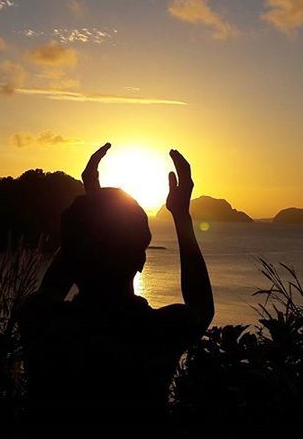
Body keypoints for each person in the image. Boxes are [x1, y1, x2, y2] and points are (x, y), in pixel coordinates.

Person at [19, 143, 214, 427]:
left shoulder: (40, 320)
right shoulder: (158, 331)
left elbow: (60, 276)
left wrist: (91, 211)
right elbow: (201, 308)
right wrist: (181, 215)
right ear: (140, 259)